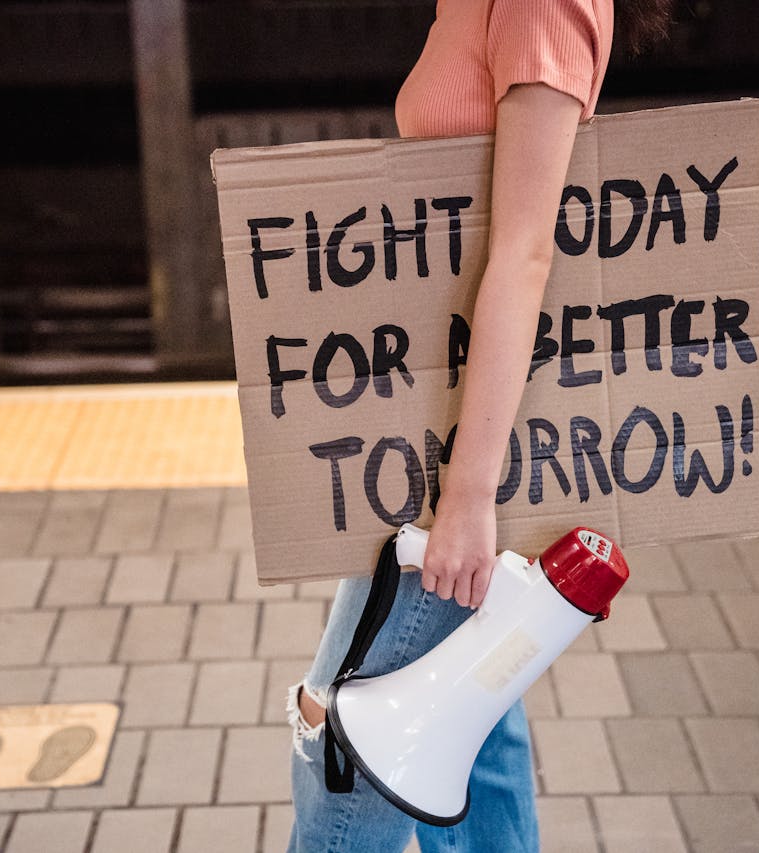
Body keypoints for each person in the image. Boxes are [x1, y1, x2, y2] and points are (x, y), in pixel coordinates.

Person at [286, 2, 674, 851]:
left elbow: (528, 252)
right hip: (439, 425)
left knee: (341, 737)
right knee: (475, 729)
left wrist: (466, 497)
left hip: (457, 460)